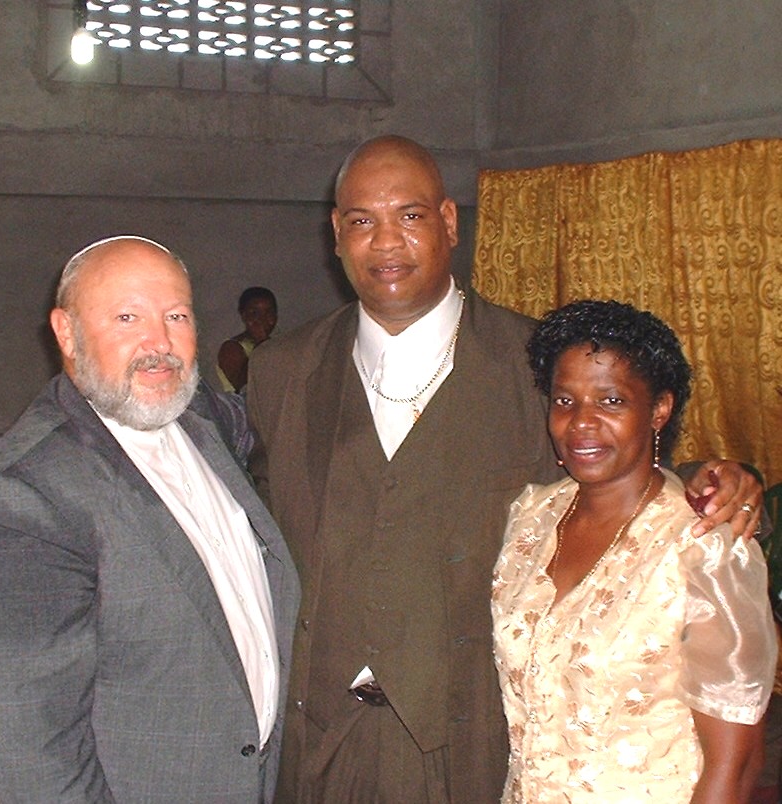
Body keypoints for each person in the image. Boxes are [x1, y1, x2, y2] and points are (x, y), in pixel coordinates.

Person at [246, 135, 764, 802]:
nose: (386, 242)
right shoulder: (281, 372)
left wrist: (718, 477)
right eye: (361, 221)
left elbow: (610, 469)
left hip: (473, 744)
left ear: (450, 223)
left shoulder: (536, 362)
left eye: (409, 216)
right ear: (336, 237)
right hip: (318, 744)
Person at [0, 236, 300, 802]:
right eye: (127, 316)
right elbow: (31, 757)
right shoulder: (23, 500)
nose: (158, 343)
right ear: (66, 332)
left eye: (176, 316)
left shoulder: (194, 420)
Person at [492, 300, 777, 801]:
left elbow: (735, 765)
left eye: (611, 401)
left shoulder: (705, 544)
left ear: (659, 409)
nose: (581, 422)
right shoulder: (529, 519)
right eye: (565, 401)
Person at [217, 286, 278, 393]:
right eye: (254, 313)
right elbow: (243, 385)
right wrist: (261, 343)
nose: (262, 319)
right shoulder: (232, 347)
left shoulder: (277, 345)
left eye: (269, 313)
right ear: (244, 315)